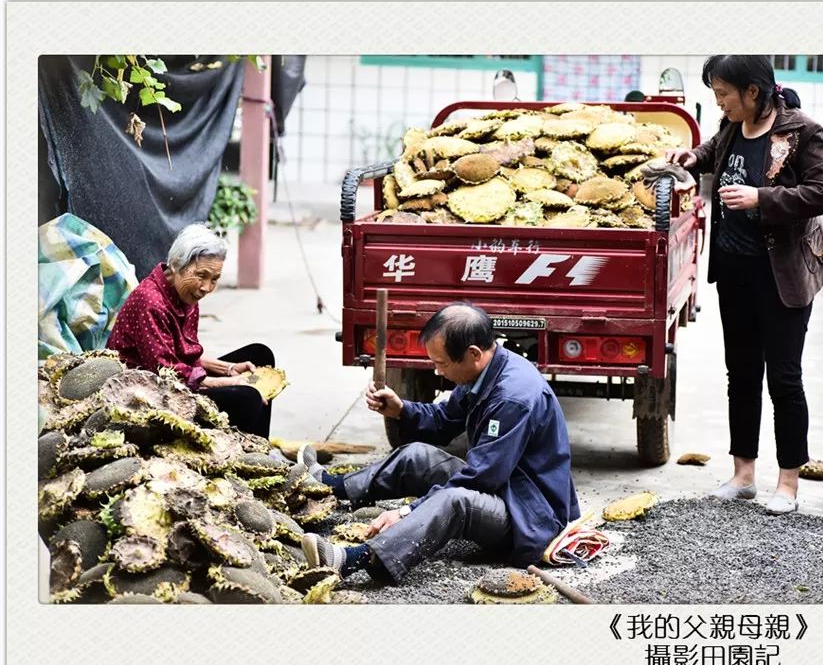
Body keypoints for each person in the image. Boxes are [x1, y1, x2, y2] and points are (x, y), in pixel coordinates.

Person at [665, 55, 823, 515]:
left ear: (753, 92)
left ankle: (788, 484)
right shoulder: (732, 124)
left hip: (782, 274)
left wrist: (761, 198)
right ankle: (743, 475)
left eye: (724, 93)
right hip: (736, 268)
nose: (719, 102)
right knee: (741, 373)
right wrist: (691, 157)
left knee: (784, 377)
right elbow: (716, 152)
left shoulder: (800, 131)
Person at [301, 302, 581, 583]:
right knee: (417, 455)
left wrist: (407, 511)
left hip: (531, 515)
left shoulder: (512, 398)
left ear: (473, 354)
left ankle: (356, 559)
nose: (437, 372)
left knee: (454, 499)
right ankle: (329, 488)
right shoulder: (485, 372)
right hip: (508, 490)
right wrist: (402, 410)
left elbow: (482, 478)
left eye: (441, 364)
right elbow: (444, 421)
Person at [107, 223, 275, 437]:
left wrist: (229, 369)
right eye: (201, 275)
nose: (206, 288)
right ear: (177, 264)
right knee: (247, 396)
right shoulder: (150, 302)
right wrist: (223, 382)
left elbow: (185, 354)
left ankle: (259, 451)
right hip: (149, 394)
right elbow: (165, 373)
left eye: (214, 279)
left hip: (178, 377)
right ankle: (249, 456)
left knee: (260, 355)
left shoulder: (185, 293)